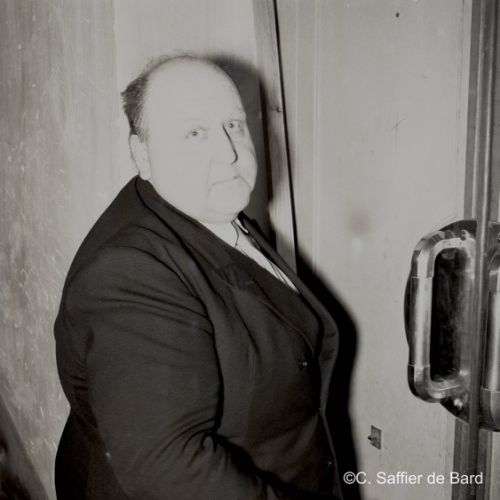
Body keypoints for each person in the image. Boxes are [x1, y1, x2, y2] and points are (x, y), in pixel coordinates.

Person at [54, 55, 342, 500]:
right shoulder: (129, 272)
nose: (229, 153)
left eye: (233, 125)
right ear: (142, 155)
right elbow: (169, 466)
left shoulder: (206, 207)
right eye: (195, 133)